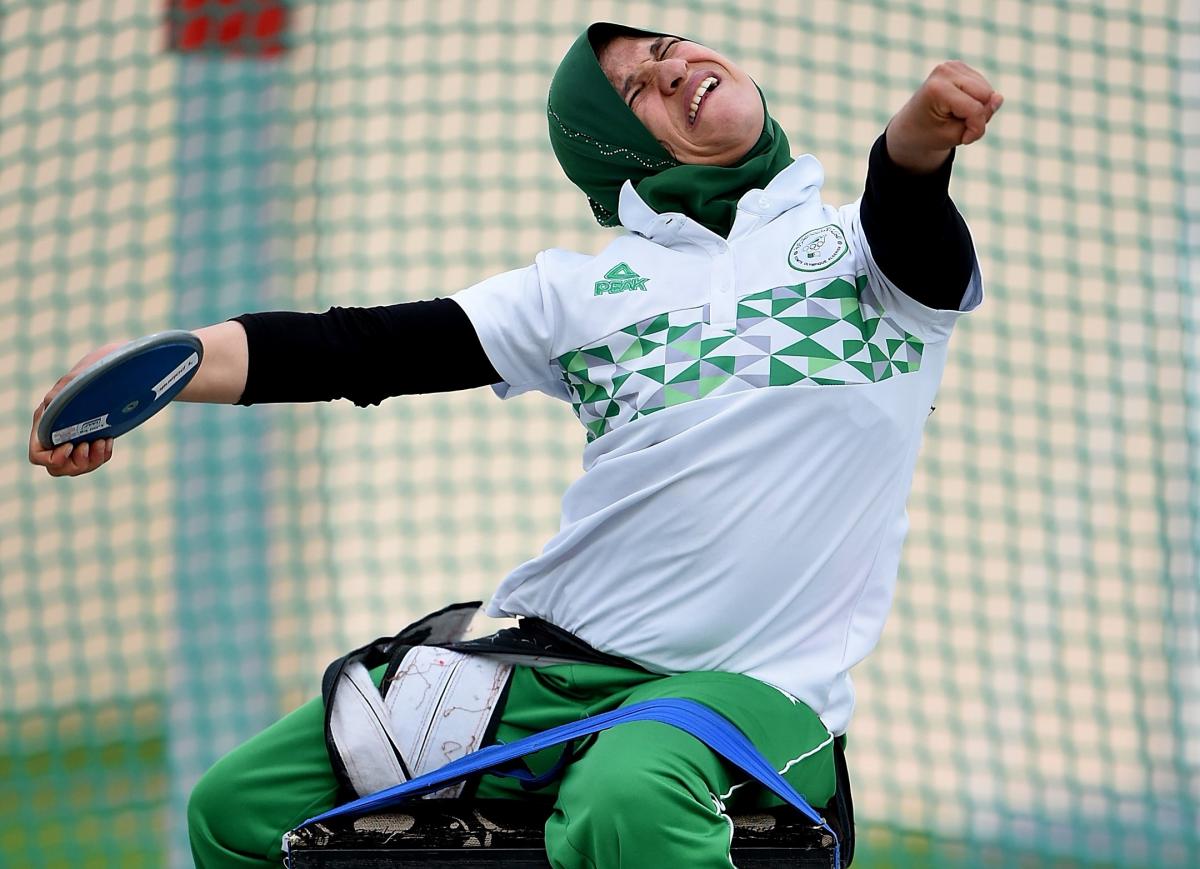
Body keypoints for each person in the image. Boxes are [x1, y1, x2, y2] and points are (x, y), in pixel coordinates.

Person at [29, 22, 1001, 869]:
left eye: (668, 53)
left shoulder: (863, 257)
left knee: (629, 797)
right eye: (634, 91)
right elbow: (361, 345)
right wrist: (163, 365)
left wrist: (912, 148)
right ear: (615, 151)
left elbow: (913, 225)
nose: (671, 72)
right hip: (552, 660)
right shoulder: (579, 293)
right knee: (236, 809)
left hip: (756, 689)